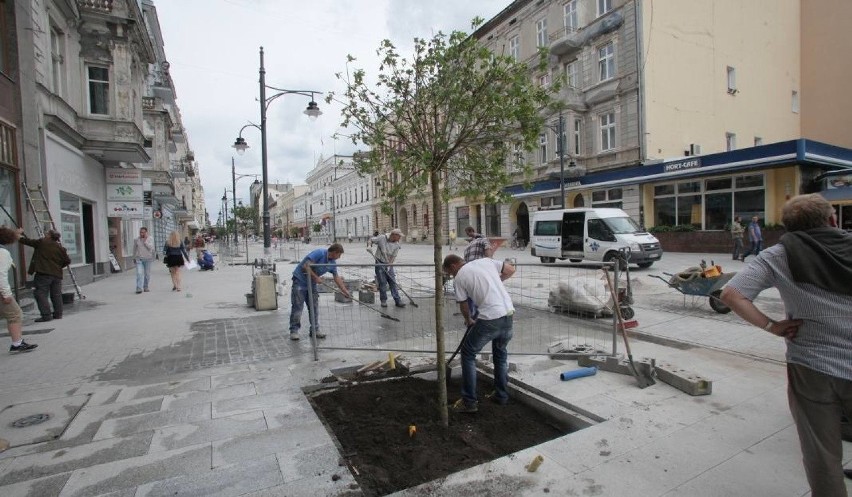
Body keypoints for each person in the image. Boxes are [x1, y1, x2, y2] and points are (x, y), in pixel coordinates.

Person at [720, 194, 852, 495]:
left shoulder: (779, 255)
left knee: (822, 454)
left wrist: (772, 326)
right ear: (832, 220)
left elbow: (731, 295)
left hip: (812, 367)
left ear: (788, 227)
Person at [442, 253, 516, 413]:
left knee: (468, 353)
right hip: (509, 314)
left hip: (491, 318)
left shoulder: (459, 277)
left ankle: (469, 402)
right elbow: (510, 270)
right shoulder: (486, 261)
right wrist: (495, 283)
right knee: (500, 355)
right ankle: (501, 395)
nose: (451, 275)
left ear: (453, 266)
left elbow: (463, 305)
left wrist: (469, 320)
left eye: (449, 272)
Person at [289, 243, 351, 341]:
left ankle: (314, 330)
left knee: (314, 307)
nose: (339, 257)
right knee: (298, 307)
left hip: (311, 284)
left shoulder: (332, 262)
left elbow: (336, 277)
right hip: (300, 281)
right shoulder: (319, 253)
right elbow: (305, 266)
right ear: (334, 252)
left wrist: (344, 290)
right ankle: (294, 331)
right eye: (339, 255)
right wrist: (316, 277)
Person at [18, 228, 71, 322]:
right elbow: (67, 261)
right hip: (57, 275)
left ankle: (46, 315)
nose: (45, 234)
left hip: (43, 273)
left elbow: (28, 241)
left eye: (46, 233)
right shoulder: (60, 247)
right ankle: (58, 314)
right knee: (56, 295)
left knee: (40, 293)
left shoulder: (42, 242)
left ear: (49, 236)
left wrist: (19, 235)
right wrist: (58, 267)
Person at [0, 227, 36, 353]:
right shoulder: (2, 253)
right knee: (15, 314)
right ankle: (17, 343)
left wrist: (16, 233)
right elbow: (1, 274)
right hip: (1, 291)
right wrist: (6, 294)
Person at [370, 229, 406, 308]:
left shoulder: (397, 245)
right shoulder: (382, 238)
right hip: (379, 262)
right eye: (399, 236)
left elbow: (393, 257)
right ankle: (383, 301)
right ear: (394, 235)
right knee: (382, 282)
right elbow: (371, 240)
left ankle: (397, 300)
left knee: (392, 281)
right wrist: (369, 246)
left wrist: (389, 265)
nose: (400, 238)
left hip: (389, 264)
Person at [132, 227, 155, 294]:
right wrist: (133, 257)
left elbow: (151, 248)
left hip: (148, 259)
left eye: (143, 232)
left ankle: (145, 286)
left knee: (147, 274)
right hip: (139, 259)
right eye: (141, 232)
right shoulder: (136, 239)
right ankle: (139, 288)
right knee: (139, 273)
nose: (142, 233)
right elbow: (134, 249)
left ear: (146, 232)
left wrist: (145, 242)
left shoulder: (150, 239)